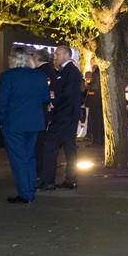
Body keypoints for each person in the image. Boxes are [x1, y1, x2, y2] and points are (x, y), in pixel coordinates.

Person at [0, 47, 51, 203]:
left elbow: (2, 103)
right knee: (30, 156)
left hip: (14, 122)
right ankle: (30, 190)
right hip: (34, 121)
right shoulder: (39, 75)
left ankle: (25, 193)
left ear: (13, 59)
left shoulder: (8, 76)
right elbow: (45, 97)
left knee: (18, 158)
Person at [40, 45, 82, 191]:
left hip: (64, 115)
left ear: (66, 54)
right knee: (70, 148)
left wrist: (53, 103)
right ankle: (71, 180)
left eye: (57, 54)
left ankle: (48, 181)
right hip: (69, 115)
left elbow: (66, 93)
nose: (55, 56)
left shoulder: (69, 71)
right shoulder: (68, 70)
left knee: (50, 146)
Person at [32, 48, 56, 189]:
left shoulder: (38, 73)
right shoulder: (52, 71)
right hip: (48, 111)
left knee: (39, 143)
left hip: (39, 111)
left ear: (36, 59)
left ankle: (39, 173)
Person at [85, 59, 104, 146]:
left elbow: (95, 86)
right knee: (99, 120)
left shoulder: (96, 73)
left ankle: (96, 140)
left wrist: (88, 85)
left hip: (95, 100)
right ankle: (100, 140)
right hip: (99, 100)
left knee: (95, 120)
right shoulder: (101, 72)